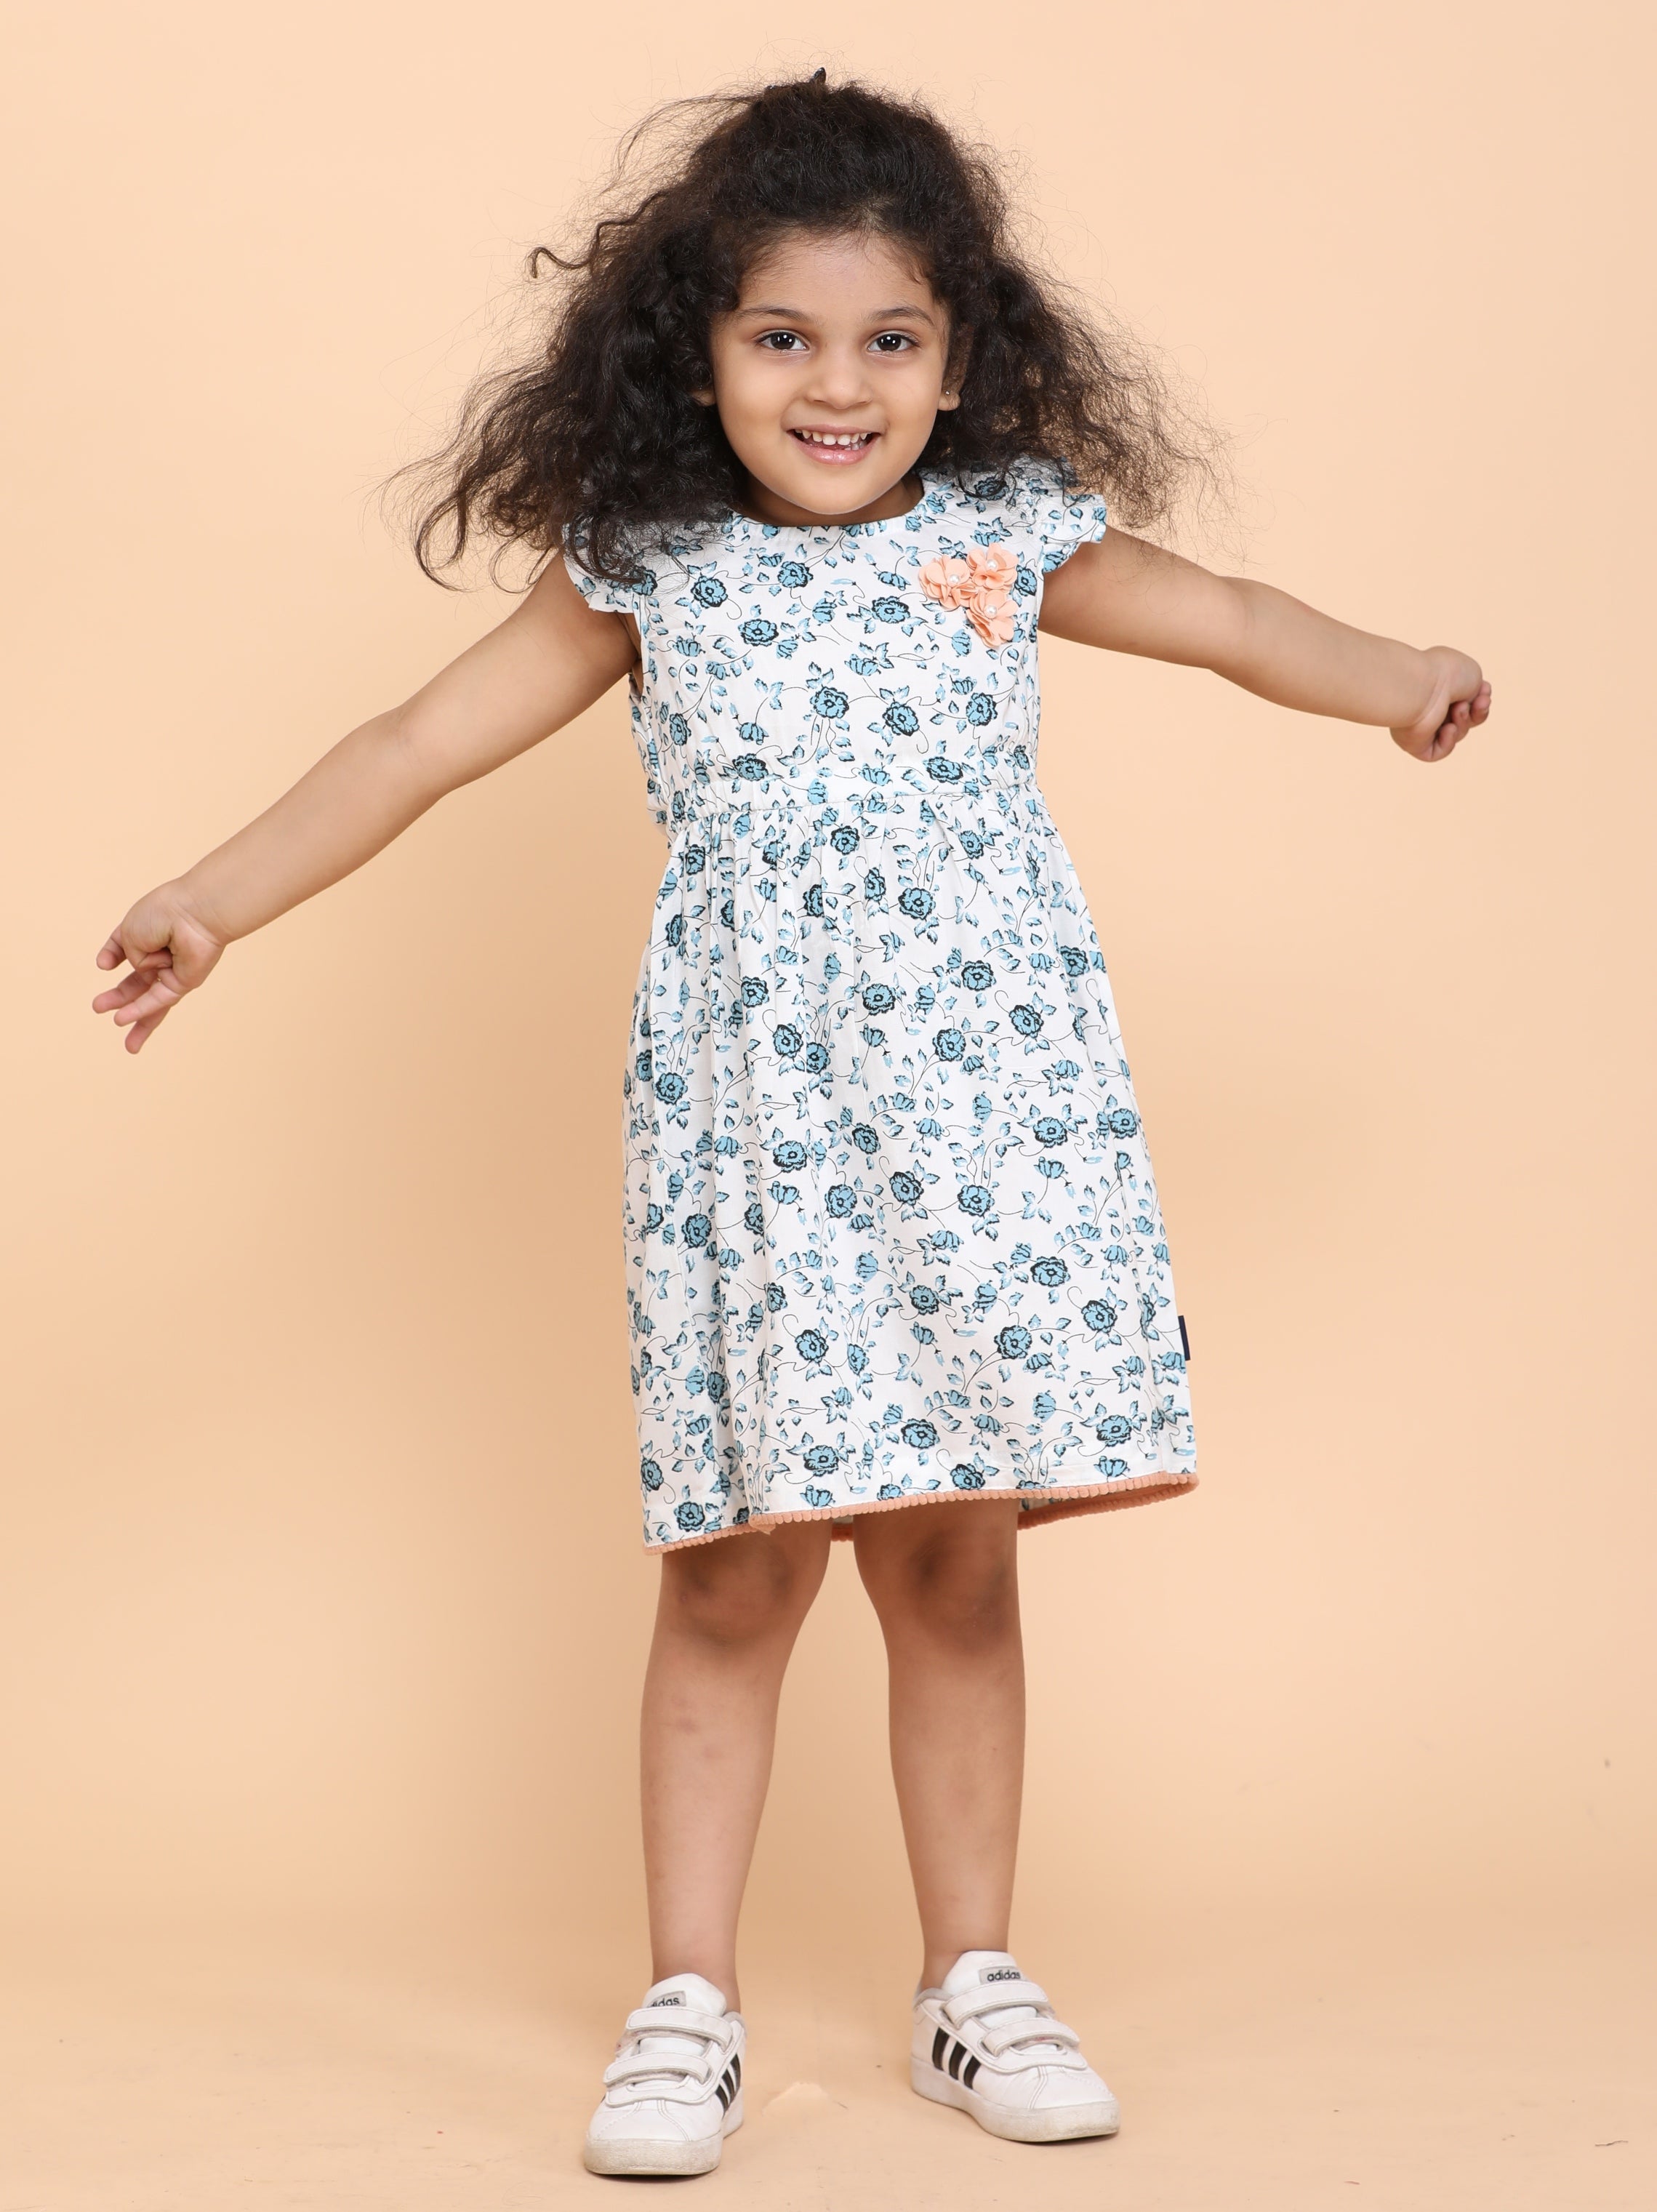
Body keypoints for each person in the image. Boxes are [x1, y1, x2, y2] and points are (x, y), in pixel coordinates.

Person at [92, 71, 1491, 2180]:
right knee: (737, 1570)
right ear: (700, 345)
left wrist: (1401, 673)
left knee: (954, 1555)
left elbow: (1233, 624)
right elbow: (413, 743)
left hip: (982, 1114)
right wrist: (214, 893)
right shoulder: (646, 564)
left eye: (889, 340)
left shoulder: (1004, 535)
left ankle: (970, 1979)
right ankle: (689, 2001)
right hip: (759, 1133)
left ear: (960, 351)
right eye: (783, 337)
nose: (837, 385)